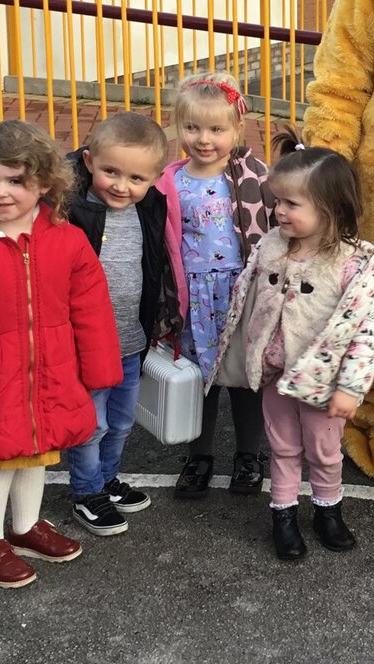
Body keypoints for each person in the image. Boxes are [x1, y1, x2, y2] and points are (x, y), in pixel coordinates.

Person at [0, 120, 122, 589]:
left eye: (16, 181)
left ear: (45, 183)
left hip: (51, 373)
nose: (1, 192)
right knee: (1, 460)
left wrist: (98, 373)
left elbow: (89, 308)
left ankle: (25, 527)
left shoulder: (65, 237)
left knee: (39, 455)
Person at [215, 130, 374, 560]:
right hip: (273, 375)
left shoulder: (354, 265)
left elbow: (367, 331)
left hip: (323, 384)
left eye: (291, 204)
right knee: (281, 447)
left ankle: (327, 510)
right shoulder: (270, 248)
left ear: (330, 208)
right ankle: (283, 514)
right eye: (277, 200)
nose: (278, 211)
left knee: (324, 450)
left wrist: (350, 388)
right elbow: (245, 304)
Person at [63, 111, 182, 535]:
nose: (121, 185)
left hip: (132, 340)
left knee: (121, 420)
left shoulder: (149, 206)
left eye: (136, 178)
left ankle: (106, 480)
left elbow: (158, 265)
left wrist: (167, 316)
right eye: (110, 171)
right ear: (89, 159)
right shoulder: (72, 208)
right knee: (90, 424)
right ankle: (86, 491)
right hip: (86, 344)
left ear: (154, 178)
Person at [157, 72, 275, 498]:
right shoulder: (169, 180)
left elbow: (277, 225)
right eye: (192, 128)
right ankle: (199, 455)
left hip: (239, 292)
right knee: (198, 381)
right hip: (192, 297)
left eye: (216, 129)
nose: (204, 139)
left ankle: (249, 454)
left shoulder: (253, 175)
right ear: (177, 127)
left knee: (244, 377)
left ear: (236, 130)